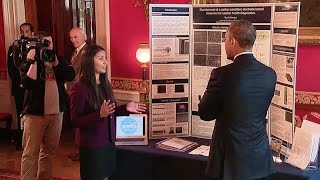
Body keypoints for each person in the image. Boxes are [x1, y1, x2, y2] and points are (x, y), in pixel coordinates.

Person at [198, 20, 276, 180]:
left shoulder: (221, 74)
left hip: (229, 161)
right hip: (259, 160)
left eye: (225, 39)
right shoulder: (270, 74)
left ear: (233, 40)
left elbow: (205, 113)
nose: (225, 44)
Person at [69, 44, 146, 180]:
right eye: (101, 58)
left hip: (108, 142)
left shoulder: (105, 84)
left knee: (106, 176)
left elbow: (111, 111)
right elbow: (75, 121)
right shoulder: (79, 88)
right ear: (88, 61)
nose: (106, 62)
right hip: (92, 146)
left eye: (105, 58)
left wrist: (125, 108)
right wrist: (99, 115)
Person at [20, 31, 75, 180]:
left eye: (50, 43)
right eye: (44, 43)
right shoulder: (28, 61)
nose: (48, 46)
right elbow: (27, 83)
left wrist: (56, 64)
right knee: (30, 153)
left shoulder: (58, 59)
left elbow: (70, 75)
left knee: (49, 152)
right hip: (34, 115)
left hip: (56, 114)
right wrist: (33, 61)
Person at [7, 22, 34, 150]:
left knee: (33, 114)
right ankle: (21, 141)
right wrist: (21, 82)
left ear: (32, 33)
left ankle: (33, 141)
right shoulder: (13, 47)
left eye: (27, 31)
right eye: (22, 31)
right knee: (20, 113)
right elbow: (11, 69)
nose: (24, 34)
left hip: (32, 88)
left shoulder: (35, 47)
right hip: (19, 87)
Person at [66, 27, 88, 161]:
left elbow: (84, 74)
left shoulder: (87, 52)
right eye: (71, 37)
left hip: (81, 92)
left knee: (81, 123)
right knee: (77, 123)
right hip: (73, 91)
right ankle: (80, 150)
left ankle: (83, 152)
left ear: (83, 36)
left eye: (76, 37)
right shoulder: (76, 52)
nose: (73, 40)